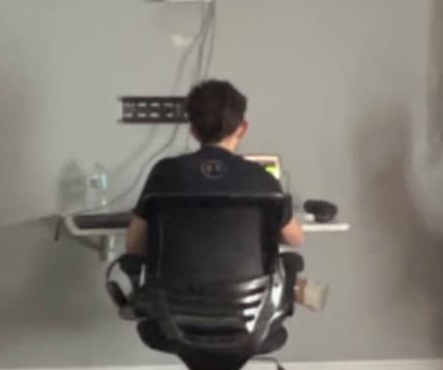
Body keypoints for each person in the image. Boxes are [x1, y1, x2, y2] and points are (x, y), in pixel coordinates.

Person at [123, 77, 306, 272]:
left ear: (193, 130)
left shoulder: (165, 172)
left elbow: (134, 246)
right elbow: (295, 239)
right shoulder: (262, 179)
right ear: (242, 128)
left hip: (173, 298)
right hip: (248, 300)